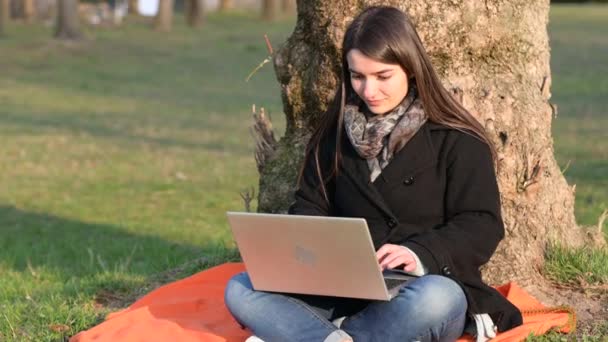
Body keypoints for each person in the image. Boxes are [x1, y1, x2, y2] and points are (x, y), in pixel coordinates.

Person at [224, 6, 523, 342]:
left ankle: (314, 335)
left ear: (410, 69)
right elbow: (310, 208)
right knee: (240, 287)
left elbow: (481, 223)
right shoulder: (333, 134)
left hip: (418, 286)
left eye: (383, 76)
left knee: (438, 300)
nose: (368, 91)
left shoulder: (457, 138)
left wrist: (419, 253)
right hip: (338, 288)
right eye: (357, 76)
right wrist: (310, 255)